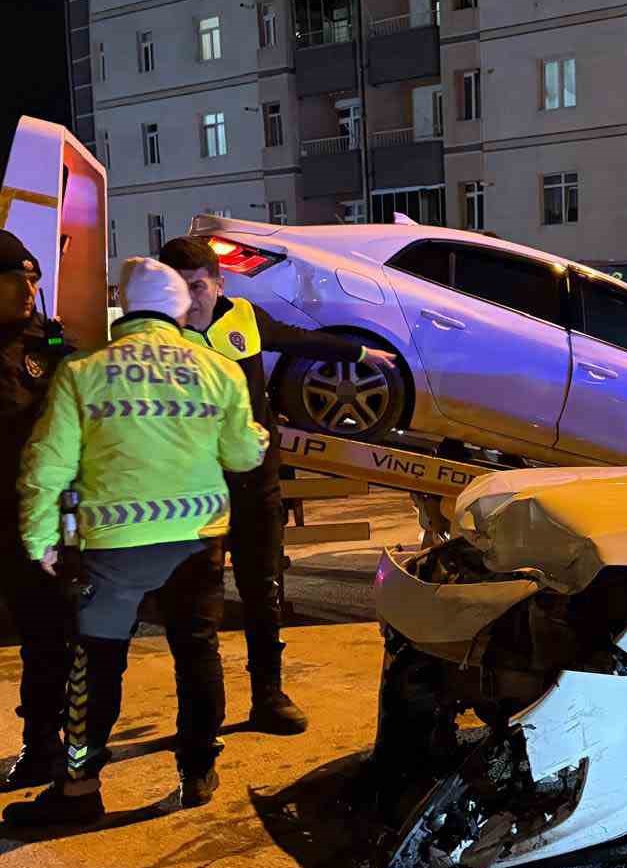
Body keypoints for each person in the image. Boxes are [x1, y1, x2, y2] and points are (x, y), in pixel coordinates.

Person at [4, 259, 268, 827]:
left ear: (124, 306)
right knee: (196, 650)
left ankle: (80, 790)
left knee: (96, 665)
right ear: (177, 309)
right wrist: (258, 435)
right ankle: (198, 770)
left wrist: (40, 540)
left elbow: (46, 464)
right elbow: (244, 454)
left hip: (115, 549)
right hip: (197, 541)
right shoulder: (218, 369)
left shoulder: (84, 370)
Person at [158, 237, 396, 734]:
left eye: (197, 286)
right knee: (195, 606)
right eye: (177, 288)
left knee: (263, 592)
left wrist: (359, 352)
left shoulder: (243, 316)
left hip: (255, 485)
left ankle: (268, 694)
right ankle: (200, 722)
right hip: (191, 493)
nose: (189, 298)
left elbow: (297, 339)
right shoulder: (157, 339)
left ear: (217, 284)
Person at [0, 232, 75, 790]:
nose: (30, 289)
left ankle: (42, 746)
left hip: (31, 521)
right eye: (16, 278)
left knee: (46, 638)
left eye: (34, 279)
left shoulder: (46, 343)